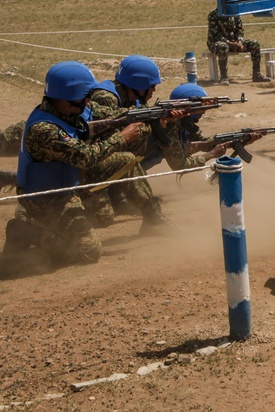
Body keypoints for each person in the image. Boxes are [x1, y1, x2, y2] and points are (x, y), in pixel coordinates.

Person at [5, 62, 147, 265]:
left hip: (69, 183)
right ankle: (24, 231)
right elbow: (87, 157)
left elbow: (114, 115)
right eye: (84, 96)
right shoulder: (44, 129)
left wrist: (150, 118)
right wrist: (123, 137)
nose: (88, 101)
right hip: (45, 196)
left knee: (103, 216)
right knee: (87, 251)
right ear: (66, 97)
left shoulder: (73, 109)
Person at [87, 55, 178, 227]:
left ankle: (128, 199)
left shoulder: (131, 97)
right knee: (102, 217)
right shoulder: (106, 98)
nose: (154, 91)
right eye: (152, 87)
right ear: (139, 86)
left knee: (144, 145)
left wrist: (164, 120)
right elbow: (116, 139)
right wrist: (154, 126)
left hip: (97, 157)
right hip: (86, 162)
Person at [207, 0, 270, 85]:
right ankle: (224, 77)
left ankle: (256, 74)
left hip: (235, 42)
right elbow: (216, 35)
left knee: (254, 44)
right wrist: (230, 43)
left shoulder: (235, 14)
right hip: (216, 42)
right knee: (223, 47)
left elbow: (240, 30)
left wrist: (239, 42)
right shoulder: (214, 15)